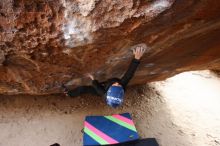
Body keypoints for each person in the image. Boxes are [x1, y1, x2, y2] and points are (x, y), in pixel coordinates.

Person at [62, 45, 146, 108]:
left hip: (103, 88)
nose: (117, 83)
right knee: (120, 83)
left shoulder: (103, 93)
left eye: (115, 85)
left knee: (83, 89)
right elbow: (129, 74)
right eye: (119, 85)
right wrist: (136, 59)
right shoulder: (122, 85)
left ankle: (69, 94)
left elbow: (97, 86)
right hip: (107, 88)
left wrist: (93, 79)